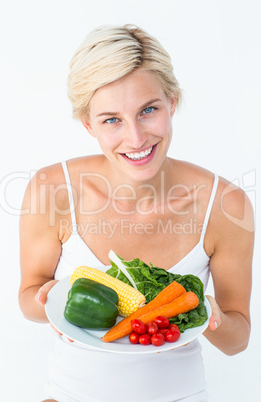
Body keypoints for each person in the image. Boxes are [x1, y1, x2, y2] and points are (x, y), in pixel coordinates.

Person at [18, 24, 254, 402]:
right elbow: (29, 297)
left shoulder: (226, 205)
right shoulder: (52, 190)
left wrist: (210, 317)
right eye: (112, 119)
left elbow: (237, 340)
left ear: (172, 102)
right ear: (88, 123)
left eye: (148, 110)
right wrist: (45, 300)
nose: (136, 138)